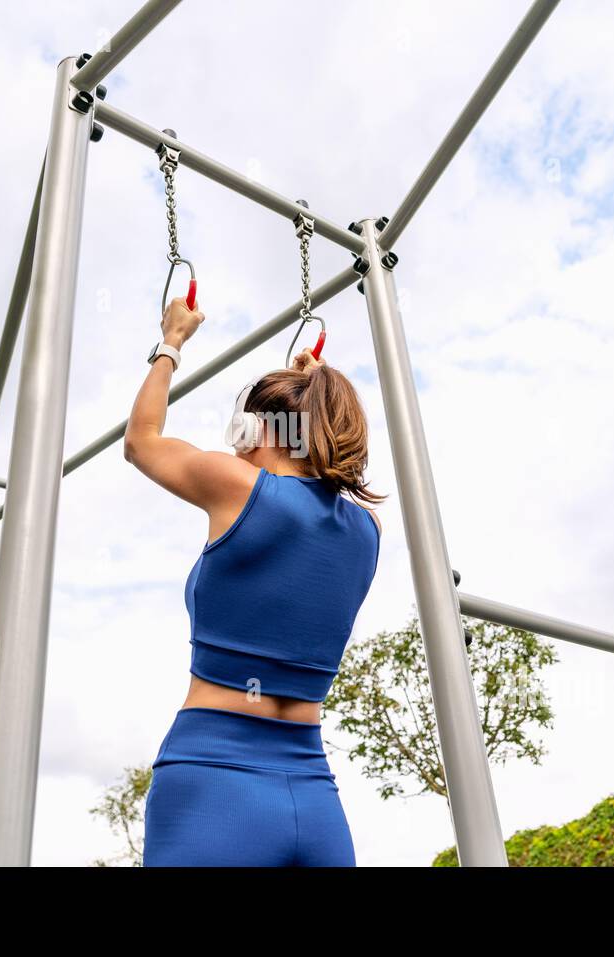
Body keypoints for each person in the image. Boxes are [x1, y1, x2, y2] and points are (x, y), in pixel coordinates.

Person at [124, 295, 384, 867]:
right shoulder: (367, 529)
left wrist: (173, 341)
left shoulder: (238, 486)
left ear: (258, 427)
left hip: (212, 781)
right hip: (313, 793)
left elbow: (141, 442)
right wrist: (316, 392)